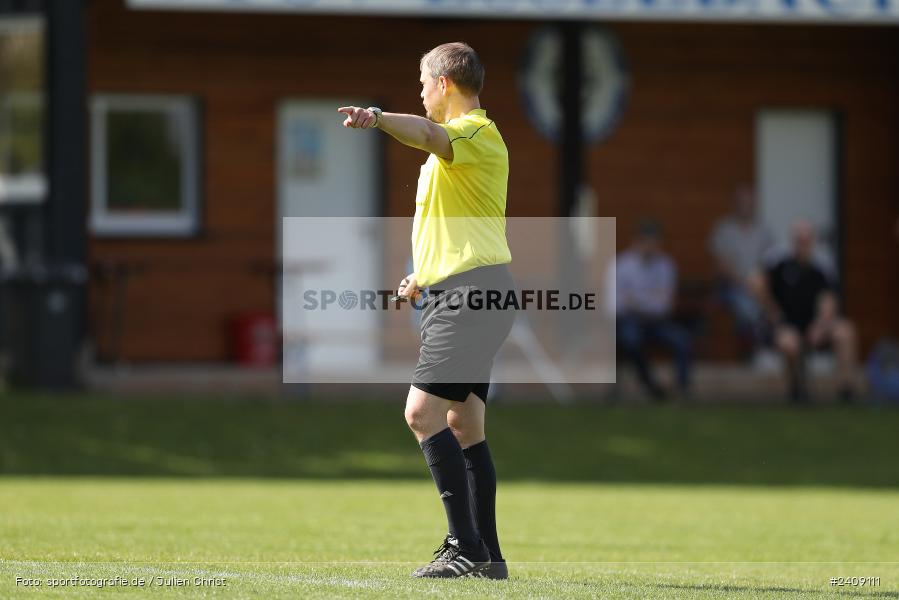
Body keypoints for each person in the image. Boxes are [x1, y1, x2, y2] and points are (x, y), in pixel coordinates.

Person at [338, 42, 514, 579]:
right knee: (465, 424)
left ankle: (464, 547)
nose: (419, 90)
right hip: (467, 289)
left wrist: (376, 119)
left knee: (420, 414)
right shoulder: (457, 154)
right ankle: (488, 556)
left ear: (443, 84)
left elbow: (428, 133)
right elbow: (461, 228)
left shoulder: (475, 134)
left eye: (421, 81)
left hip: (470, 295)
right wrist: (422, 277)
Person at [756, 220, 858, 403]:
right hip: (784, 324)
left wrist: (821, 325)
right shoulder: (778, 260)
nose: (802, 244)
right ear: (793, 239)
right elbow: (756, 283)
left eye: (806, 239)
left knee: (845, 331)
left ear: (812, 240)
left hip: (815, 324)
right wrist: (774, 315)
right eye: (798, 239)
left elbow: (829, 299)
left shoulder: (822, 264)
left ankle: (846, 388)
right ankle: (797, 388)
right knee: (790, 342)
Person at [612, 219, 691, 400]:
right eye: (647, 241)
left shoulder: (666, 265)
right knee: (630, 340)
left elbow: (664, 306)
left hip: (656, 323)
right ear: (637, 241)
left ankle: (682, 390)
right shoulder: (622, 265)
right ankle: (650, 385)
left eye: (654, 242)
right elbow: (617, 303)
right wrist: (649, 298)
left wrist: (636, 299)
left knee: (682, 341)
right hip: (629, 321)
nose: (650, 246)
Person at [708, 184, 774, 343]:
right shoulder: (723, 230)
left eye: (748, 201)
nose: (744, 205)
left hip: (758, 288)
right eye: (740, 201)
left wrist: (758, 284)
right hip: (731, 287)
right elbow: (721, 266)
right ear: (734, 203)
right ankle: (757, 342)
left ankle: (763, 342)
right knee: (746, 305)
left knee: (771, 303)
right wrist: (746, 283)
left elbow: (769, 263)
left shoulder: (763, 231)